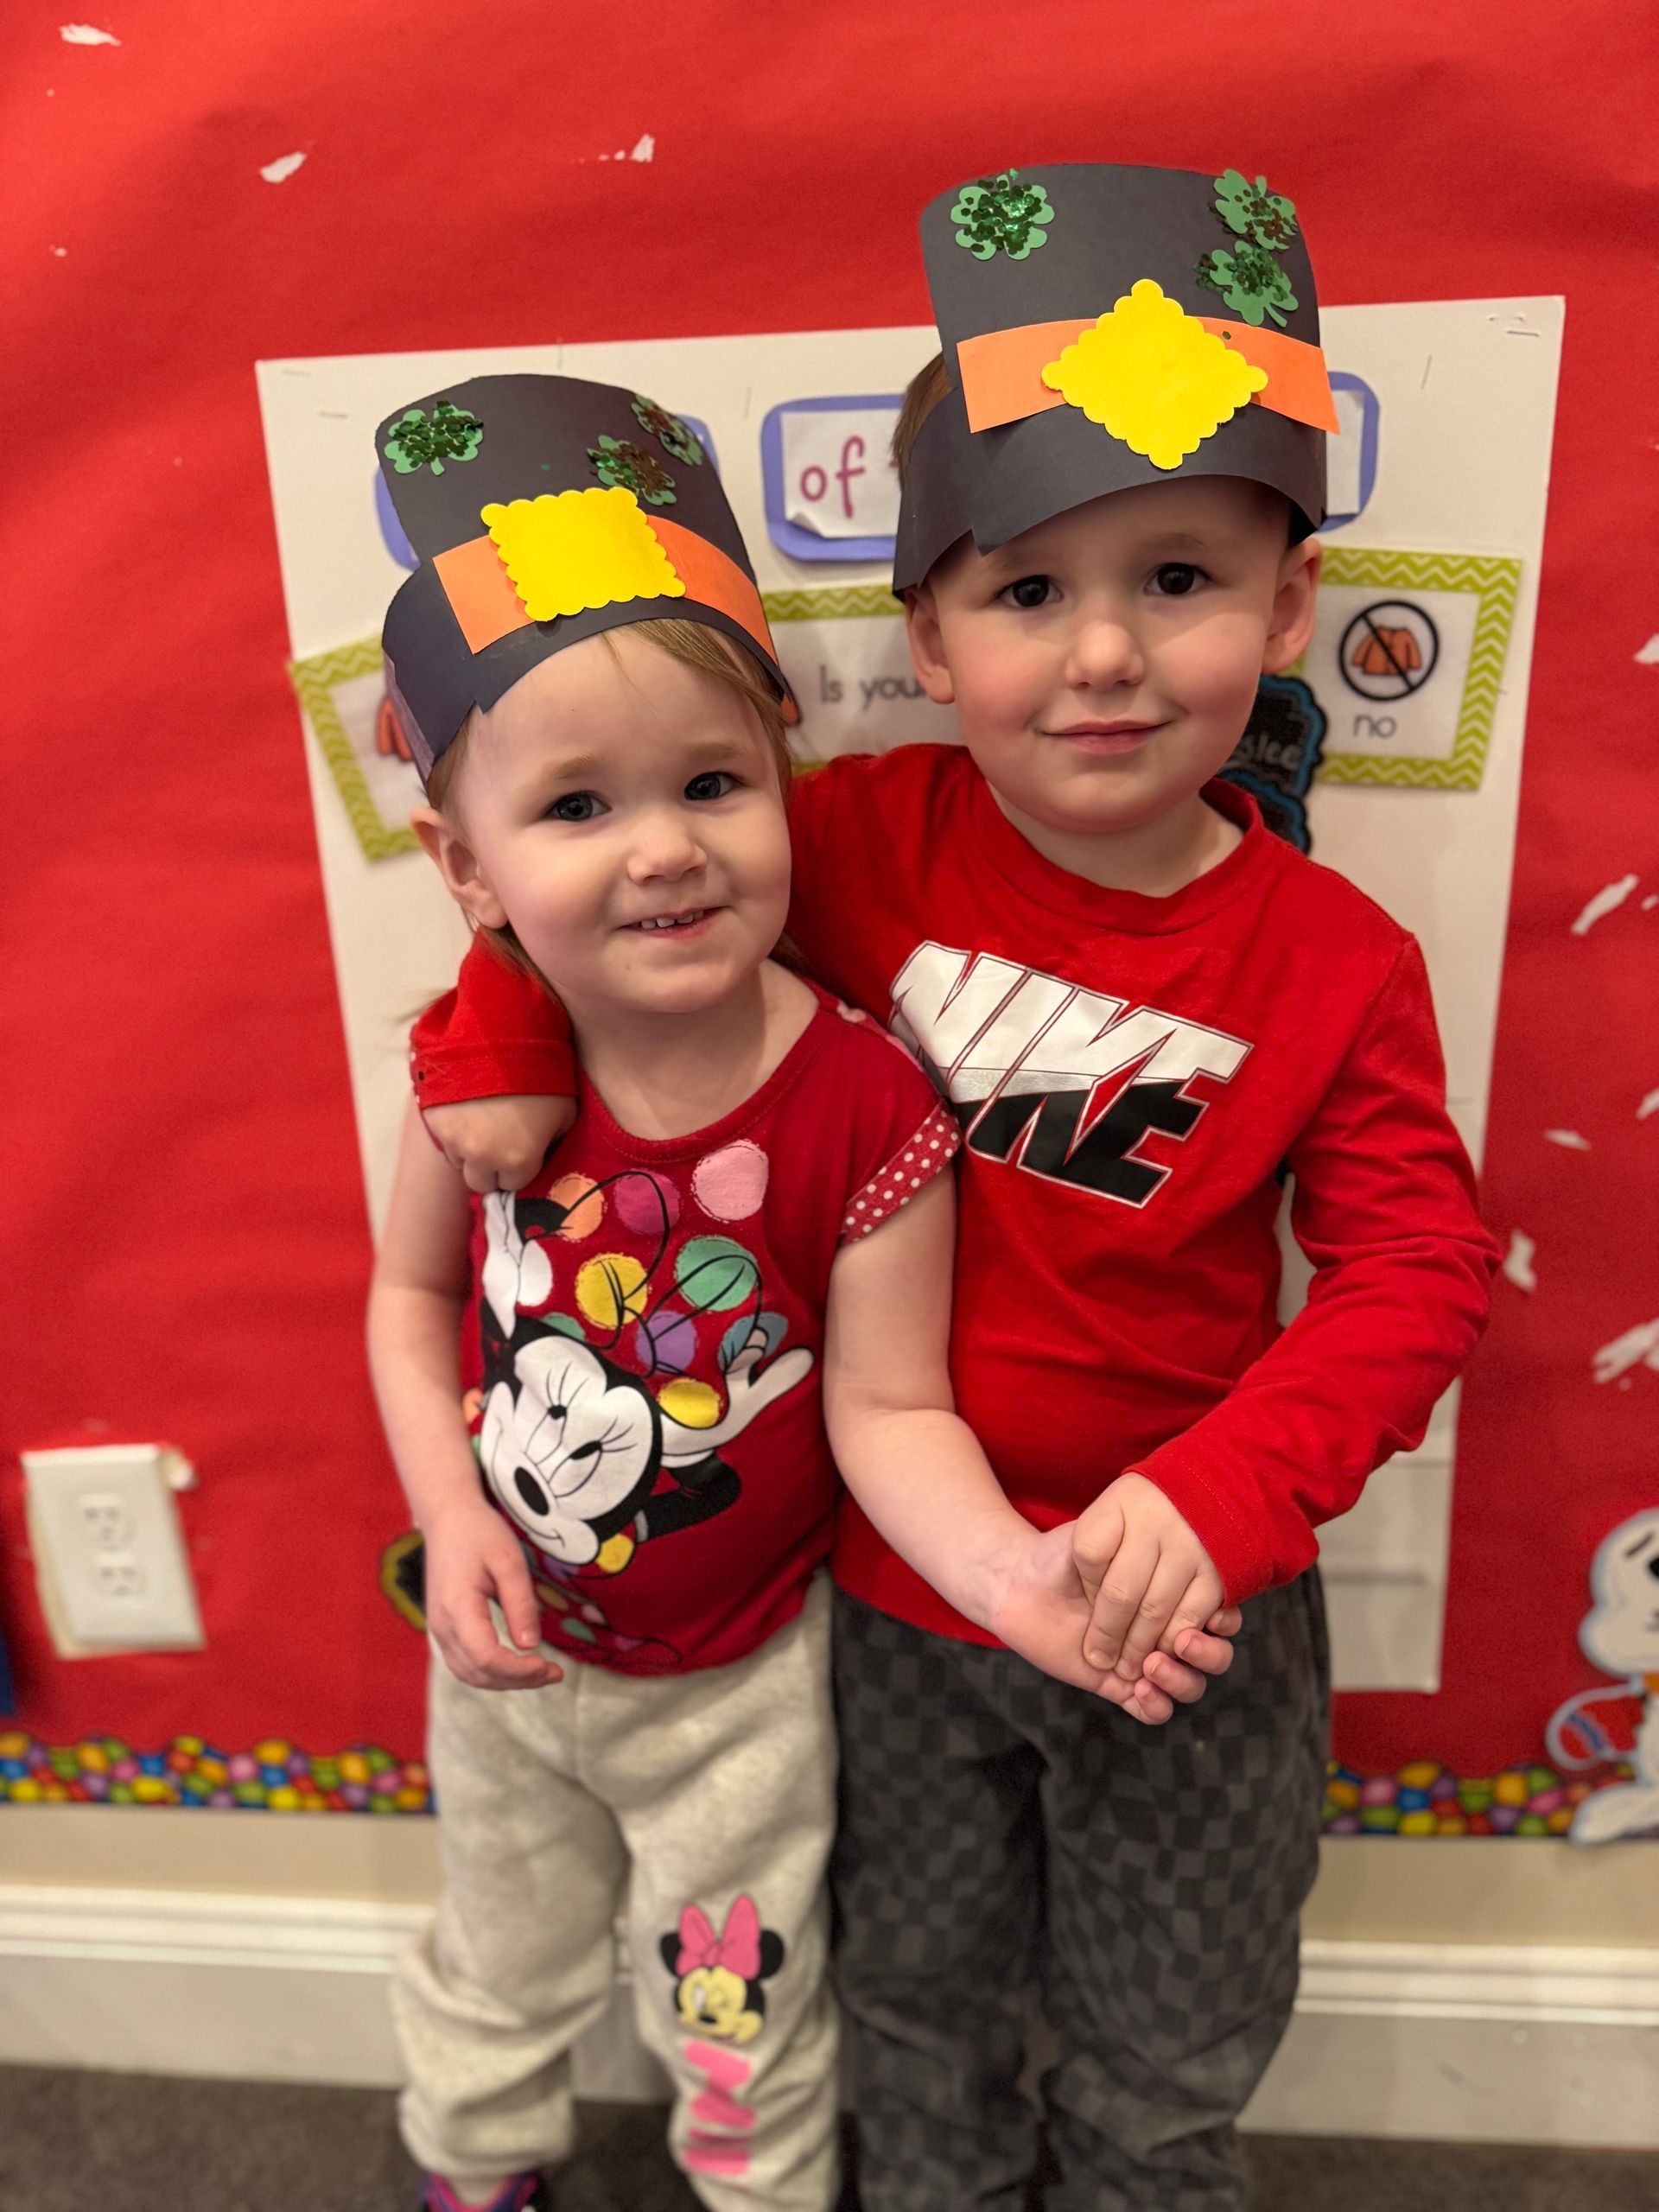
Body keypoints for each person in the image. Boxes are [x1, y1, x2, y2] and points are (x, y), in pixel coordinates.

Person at [405, 166, 1499, 2211]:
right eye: (1024, 592)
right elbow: (604, 860)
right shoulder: (847, 839)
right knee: (910, 2012)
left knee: (1170, 2059)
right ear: (927, 629)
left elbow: (1417, 1266)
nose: (1102, 654)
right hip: (890, 1603)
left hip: (1194, 1601)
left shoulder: (1337, 962)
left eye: (1178, 578)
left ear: (1285, 608)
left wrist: (1226, 1489)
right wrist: (498, 1037)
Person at [365, 369, 1238, 2212]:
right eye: (579, 805)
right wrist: (447, 1518)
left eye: (710, 784)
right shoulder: (466, 1076)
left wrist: (1009, 1570)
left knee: (743, 1998)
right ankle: (472, 2171)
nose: (666, 845)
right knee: (495, 1963)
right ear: (466, 865)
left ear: (788, 785)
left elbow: (884, 1401)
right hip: (505, 1664)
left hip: (750, 1684)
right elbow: (400, 1287)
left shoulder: (868, 1098)